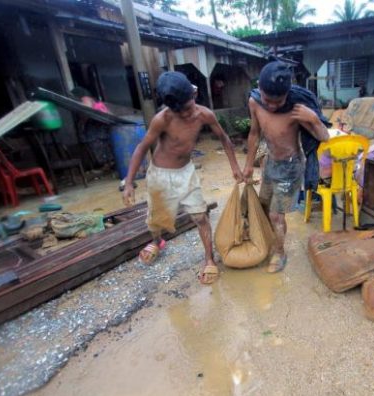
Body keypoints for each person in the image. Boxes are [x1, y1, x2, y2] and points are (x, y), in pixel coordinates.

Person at [122, 72, 243, 284]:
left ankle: (209, 259)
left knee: (200, 216)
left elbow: (224, 139)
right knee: (157, 218)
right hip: (159, 175)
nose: (187, 114)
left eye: (189, 107)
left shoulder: (205, 114)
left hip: (186, 173)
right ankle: (157, 242)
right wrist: (129, 182)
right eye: (180, 111)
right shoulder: (162, 119)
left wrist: (234, 166)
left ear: (194, 94)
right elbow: (141, 148)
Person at [243, 61, 330, 273]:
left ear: (288, 93)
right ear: (259, 89)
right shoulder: (255, 103)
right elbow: (254, 133)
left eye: (278, 101)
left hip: (290, 168)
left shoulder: (297, 109)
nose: (272, 106)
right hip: (270, 164)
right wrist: (248, 165)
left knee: (275, 215)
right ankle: (266, 239)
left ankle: (280, 252)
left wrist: (314, 119)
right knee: (264, 205)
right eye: (267, 100)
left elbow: (324, 137)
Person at [71, 87, 113, 169]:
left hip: (95, 127)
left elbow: (86, 112)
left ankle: (106, 164)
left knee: (98, 146)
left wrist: (81, 124)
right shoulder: (93, 99)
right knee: (104, 145)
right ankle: (109, 162)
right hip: (102, 126)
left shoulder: (84, 99)